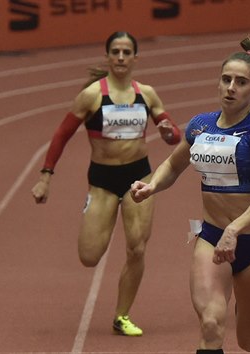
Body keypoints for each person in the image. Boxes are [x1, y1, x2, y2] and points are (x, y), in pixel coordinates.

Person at [130, 38, 250, 354]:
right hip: (212, 237)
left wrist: (235, 229)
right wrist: (152, 185)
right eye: (226, 79)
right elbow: (174, 164)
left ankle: (249, 301)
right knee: (211, 324)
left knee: (249, 342)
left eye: (241, 82)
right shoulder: (201, 125)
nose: (231, 87)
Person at [31, 31, 181, 337]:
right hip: (101, 180)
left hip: (139, 178)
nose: (122, 58)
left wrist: (168, 132)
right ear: (108, 57)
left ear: (136, 58)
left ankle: (121, 315)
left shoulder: (147, 94)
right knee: (89, 257)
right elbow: (61, 135)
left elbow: (174, 135)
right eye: (116, 52)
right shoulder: (92, 96)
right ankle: (101, 217)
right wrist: (46, 176)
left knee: (137, 248)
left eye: (127, 52)